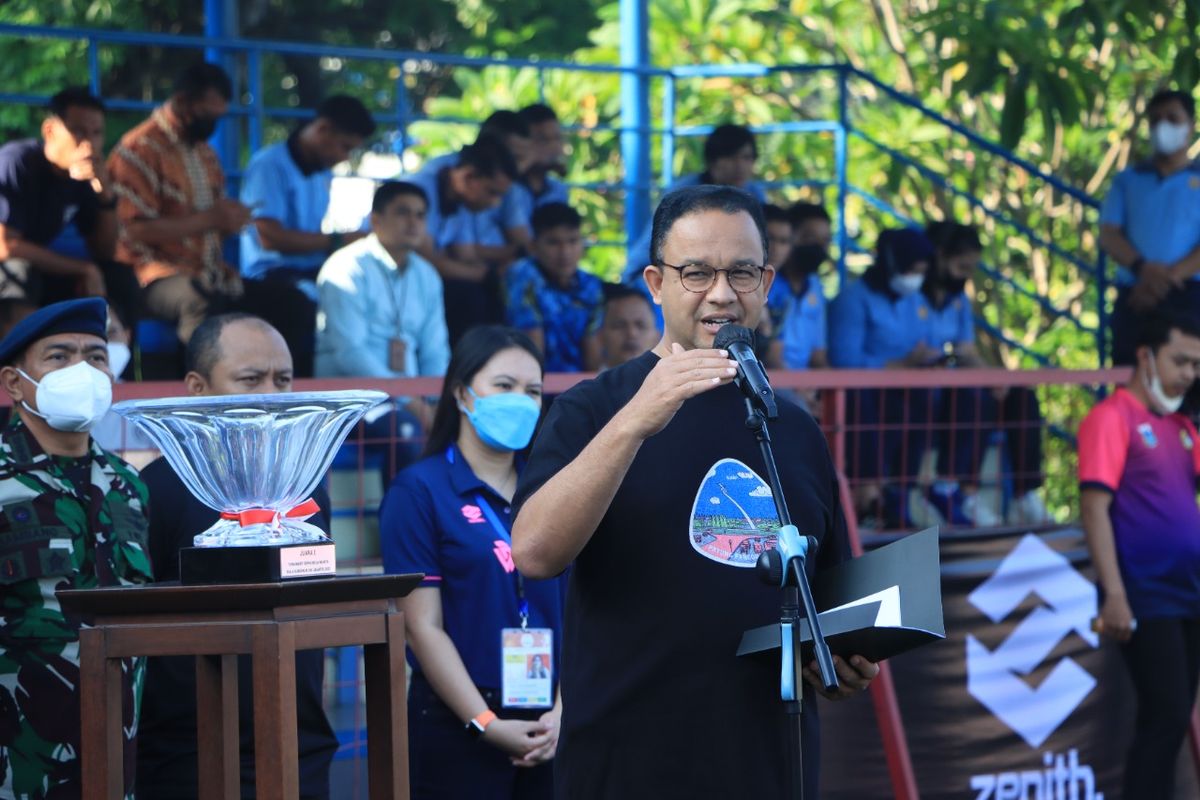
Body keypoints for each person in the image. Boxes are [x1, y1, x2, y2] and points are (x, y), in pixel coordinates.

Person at [511, 185, 877, 799]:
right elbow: (535, 552)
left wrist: (838, 663)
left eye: (740, 273)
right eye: (696, 272)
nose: (721, 293)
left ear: (764, 281)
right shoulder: (593, 408)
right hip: (626, 767)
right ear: (656, 283)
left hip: (769, 765)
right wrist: (634, 419)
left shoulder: (793, 429)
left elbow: (827, 601)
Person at [135, 313, 338, 799]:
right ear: (197, 388)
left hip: (298, 746)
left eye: (283, 379)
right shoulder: (156, 490)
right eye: (251, 379)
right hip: (188, 755)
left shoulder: (308, 492)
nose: (271, 394)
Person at [380, 325, 564, 799]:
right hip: (458, 721)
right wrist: (485, 723)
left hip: (554, 721)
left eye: (533, 391)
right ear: (462, 394)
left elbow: (584, 610)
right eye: (503, 386)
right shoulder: (418, 491)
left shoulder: (554, 491)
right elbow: (422, 628)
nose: (521, 401)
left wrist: (565, 713)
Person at [0, 297, 153, 800]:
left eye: (95, 356)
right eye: (59, 356)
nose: (82, 370)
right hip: (16, 755)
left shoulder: (127, 484)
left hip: (114, 752)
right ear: (14, 384)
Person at [1078, 314, 1200, 800]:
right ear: (1146, 356)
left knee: (1172, 720)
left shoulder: (1180, 426)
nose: (1190, 372)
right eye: (1181, 361)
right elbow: (1094, 507)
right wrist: (1114, 595)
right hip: (1144, 593)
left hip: (1188, 592)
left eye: (1197, 363)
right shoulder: (1112, 417)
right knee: (1165, 716)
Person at [108, 62, 252, 345]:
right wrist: (211, 219)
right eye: (207, 114)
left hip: (209, 271)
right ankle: (203, 385)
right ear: (183, 102)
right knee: (199, 298)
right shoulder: (139, 150)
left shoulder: (205, 153)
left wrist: (230, 221)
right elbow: (133, 230)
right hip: (149, 275)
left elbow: (214, 221)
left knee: (285, 301)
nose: (213, 123)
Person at [316, 180, 449, 477]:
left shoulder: (427, 275)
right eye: (403, 212)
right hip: (352, 400)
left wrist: (437, 402)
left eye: (420, 214)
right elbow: (350, 353)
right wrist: (411, 402)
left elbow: (435, 349)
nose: (413, 222)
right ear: (376, 219)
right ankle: (405, 522)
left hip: (414, 400)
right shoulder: (345, 268)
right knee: (403, 428)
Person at [921, 221, 1048, 527]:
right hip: (927, 392)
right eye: (961, 265)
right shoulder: (912, 300)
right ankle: (957, 489)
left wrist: (997, 379)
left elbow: (967, 352)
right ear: (939, 256)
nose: (966, 275)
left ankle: (1023, 494)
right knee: (974, 397)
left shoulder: (958, 300)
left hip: (955, 383)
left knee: (1021, 397)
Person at [239, 94, 376, 376]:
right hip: (269, 275)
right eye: (344, 146)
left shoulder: (320, 174)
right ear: (323, 129)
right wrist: (339, 241)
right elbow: (269, 237)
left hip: (309, 270)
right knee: (307, 301)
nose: (343, 157)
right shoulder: (269, 165)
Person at [828, 227, 939, 527]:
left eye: (921, 271)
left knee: (934, 401)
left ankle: (904, 493)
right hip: (863, 393)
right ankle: (869, 494)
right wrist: (898, 365)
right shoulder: (852, 300)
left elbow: (928, 344)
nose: (916, 277)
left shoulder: (916, 301)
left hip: (906, 390)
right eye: (910, 270)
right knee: (879, 408)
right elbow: (845, 362)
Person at [0, 87, 141, 311]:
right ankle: (18, 347)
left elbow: (104, 251)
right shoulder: (16, 161)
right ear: (49, 131)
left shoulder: (83, 175)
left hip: (43, 272)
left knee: (119, 278)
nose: (89, 143)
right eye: (79, 131)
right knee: (20, 274)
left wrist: (104, 192)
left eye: (96, 133)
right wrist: (82, 269)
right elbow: (6, 246)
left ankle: (117, 346)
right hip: (10, 272)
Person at [1100, 88, 1200, 365]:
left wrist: (1164, 279)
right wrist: (1143, 270)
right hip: (1135, 295)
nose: (1162, 125)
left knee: (1189, 379)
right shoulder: (1127, 180)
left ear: (1191, 126)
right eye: (1155, 119)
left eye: (1172, 117)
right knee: (1129, 373)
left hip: (1189, 295)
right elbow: (1109, 234)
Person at [406, 136, 519, 344]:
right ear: (468, 177)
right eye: (492, 192)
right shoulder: (420, 191)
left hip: (428, 281)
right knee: (469, 296)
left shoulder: (463, 202)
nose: (495, 204)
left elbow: (464, 254)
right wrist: (485, 275)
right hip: (406, 282)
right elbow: (428, 261)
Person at [623, 123, 766, 282]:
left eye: (746, 158)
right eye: (731, 157)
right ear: (712, 161)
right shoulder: (683, 194)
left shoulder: (754, 195)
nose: (740, 166)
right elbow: (653, 245)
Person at [505, 203, 604, 372]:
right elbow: (533, 352)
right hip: (532, 380)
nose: (565, 252)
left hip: (579, 386)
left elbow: (592, 351)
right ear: (533, 246)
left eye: (573, 241)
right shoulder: (523, 277)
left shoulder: (590, 285)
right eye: (553, 243)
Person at [764, 202, 831, 372]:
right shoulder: (769, 284)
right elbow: (772, 358)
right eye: (809, 238)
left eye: (825, 241)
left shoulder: (815, 286)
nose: (817, 247)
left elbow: (818, 355)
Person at [516, 104, 570, 215]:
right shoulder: (503, 190)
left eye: (557, 138)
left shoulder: (558, 190)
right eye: (543, 140)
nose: (554, 147)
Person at [597, 284, 657, 370]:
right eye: (619, 325)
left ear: (657, 337)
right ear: (601, 336)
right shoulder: (586, 383)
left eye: (641, 325)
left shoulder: (673, 382)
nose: (632, 333)